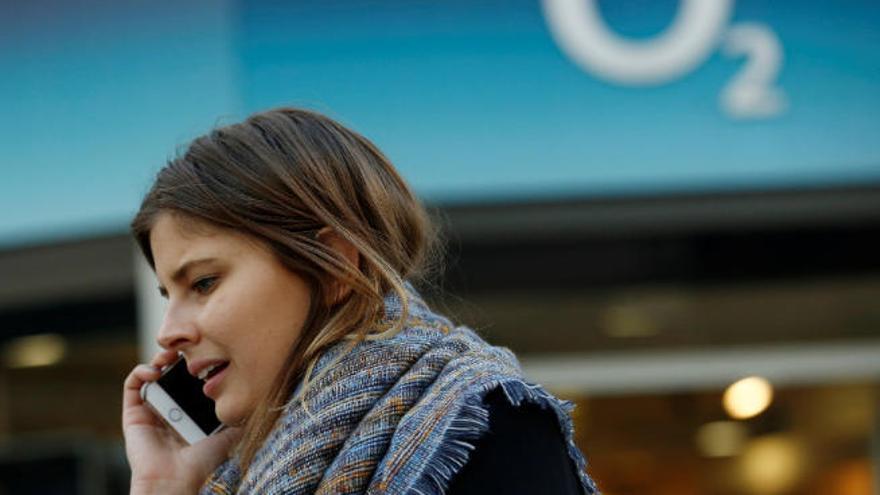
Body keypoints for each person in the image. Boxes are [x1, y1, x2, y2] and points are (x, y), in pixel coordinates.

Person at [122, 108, 600, 495]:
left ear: (332, 266)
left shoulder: (486, 431)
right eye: (169, 295)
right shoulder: (240, 476)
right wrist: (162, 489)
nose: (169, 332)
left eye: (203, 283)